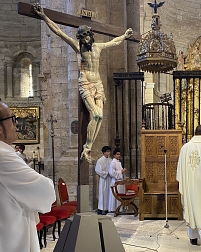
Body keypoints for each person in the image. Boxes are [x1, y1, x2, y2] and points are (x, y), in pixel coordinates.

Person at [33, 4, 133, 163]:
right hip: (85, 83)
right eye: (83, 37)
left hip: (97, 84)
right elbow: (58, 32)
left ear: (90, 35)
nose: (85, 39)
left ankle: (88, 148)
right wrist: (44, 17)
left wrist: (124, 36)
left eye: (87, 36)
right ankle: (87, 147)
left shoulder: (98, 47)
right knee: (97, 114)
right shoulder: (77, 47)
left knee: (100, 117)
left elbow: (114, 42)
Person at [0, 100, 56, 252]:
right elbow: (45, 192)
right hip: (11, 243)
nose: (16, 124)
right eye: (12, 119)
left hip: (8, 235)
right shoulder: (3, 156)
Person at [95, 146, 112, 215]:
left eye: (109, 151)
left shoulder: (110, 160)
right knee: (103, 194)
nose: (108, 153)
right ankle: (101, 209)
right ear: (104, 152)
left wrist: (111, 173)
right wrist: (106, 173)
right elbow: (98, 170)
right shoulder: (100, 160)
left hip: (109, 179)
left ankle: (107, 208)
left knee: (108, 193)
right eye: (107, 151)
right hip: (103, 179)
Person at [108, 148, 127, 212]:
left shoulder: (118, 162)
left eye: (119, 154)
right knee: (116, 195)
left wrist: (123, 172)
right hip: (116, 181)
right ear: (114, 155)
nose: (119, 155)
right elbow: (112, 173)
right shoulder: (113, 163)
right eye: (117, 154)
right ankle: (114, 208)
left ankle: (120, 208)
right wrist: (121, 172)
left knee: (120, 195)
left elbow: (119, 171)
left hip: (120, 181)